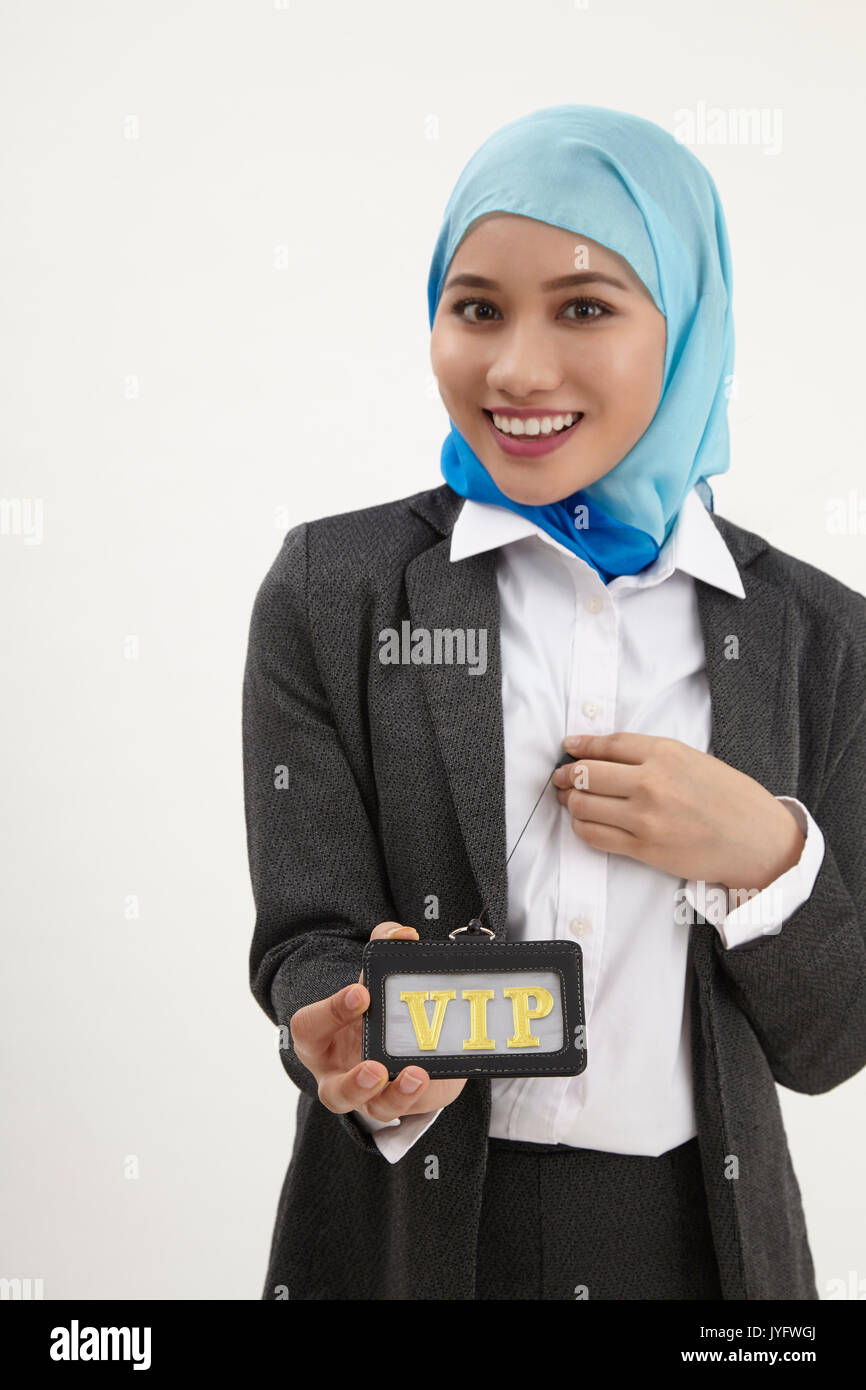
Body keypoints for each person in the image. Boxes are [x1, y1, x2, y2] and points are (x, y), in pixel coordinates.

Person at [242, 105, 866, 1300]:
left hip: (700, 1242)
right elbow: (305, 935)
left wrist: (766, 855)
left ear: (684, 322)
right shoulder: (334, 589)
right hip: (408, 1232)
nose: (517, 368)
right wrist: (345, 1027)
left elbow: (830, 1041)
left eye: (584, 306)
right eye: (475, 307)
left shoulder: (818, 636)